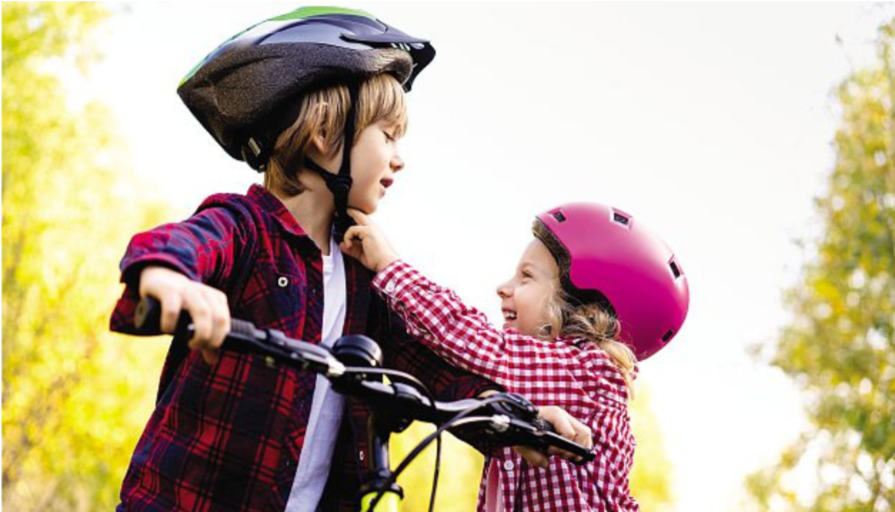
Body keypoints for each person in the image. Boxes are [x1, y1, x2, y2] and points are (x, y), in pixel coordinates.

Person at [108, 8, 504, 511]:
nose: (399, 158)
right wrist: (170, 277)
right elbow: (189, 242)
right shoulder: (249, 228)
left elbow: (424, 369)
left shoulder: (362, 277)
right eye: (388, 135)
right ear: (321, 131)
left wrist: (503, 410)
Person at [340, 203, 691, 511]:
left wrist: (389, 265)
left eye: (526, 277)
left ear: (579, 309)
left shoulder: (590, 374)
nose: (503, 287)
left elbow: (471, 338)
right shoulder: (531, 385)